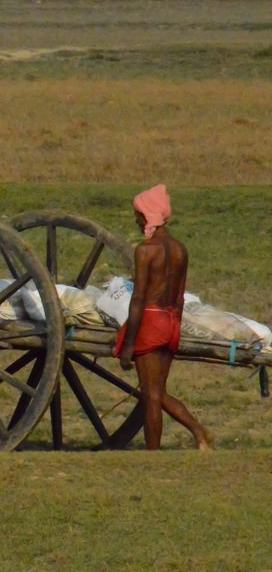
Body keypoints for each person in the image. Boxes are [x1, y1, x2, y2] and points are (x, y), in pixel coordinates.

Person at [116, 184, 213, 451]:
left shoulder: (146, 251)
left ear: (149, 216)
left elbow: (138, 299)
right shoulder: (181, 250)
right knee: (159, 391)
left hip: (150, 320)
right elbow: (180, 296)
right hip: (171, 321)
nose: (136, 221)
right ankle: (199, 434)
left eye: (138, 215)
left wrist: (128, 344)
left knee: (151, 395)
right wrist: (174, 330)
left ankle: (156, 453)